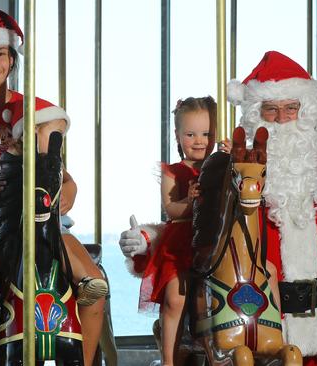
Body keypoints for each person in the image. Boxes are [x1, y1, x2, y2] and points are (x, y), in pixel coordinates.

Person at [120, 51, 317, 365]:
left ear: (308, 110)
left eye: (291, 108)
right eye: (269, 110)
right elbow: (202, 222)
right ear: (254, 115)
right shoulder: (242, 166)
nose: (282, 119)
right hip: (265, 330)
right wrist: (149, 236)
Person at [0, 10, 106, 366]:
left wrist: (63, 198)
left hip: (41, 218)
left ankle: (86, 359)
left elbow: (62, 175)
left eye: (0, 53)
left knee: (93, 286)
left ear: (12, 59)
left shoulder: (36, 110)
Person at [131, 97, 230, 366]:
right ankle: (168, 359)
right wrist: (189, 201)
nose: (199, 141)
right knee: (175, 298)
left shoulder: (223, 168)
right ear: (177, 135)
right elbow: (171, 210)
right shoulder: (173, 173)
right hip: (182, 242)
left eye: (207, 134)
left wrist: (233, 159)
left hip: (213, 242)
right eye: (191, 134)